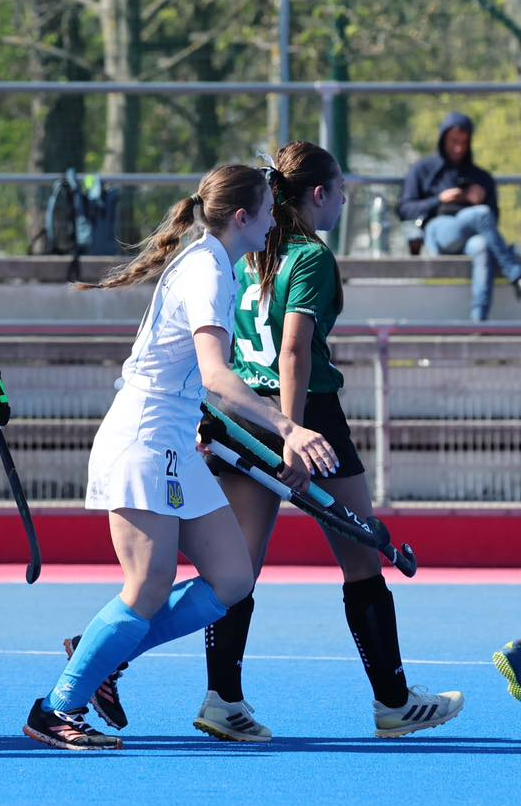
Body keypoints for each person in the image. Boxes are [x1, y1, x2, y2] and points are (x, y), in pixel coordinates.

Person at [25, 164, 338, 751]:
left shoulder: (219, 264)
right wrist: (288, 428)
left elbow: (197, 379)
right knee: (148, 586)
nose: (276, 219)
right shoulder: (207, 270)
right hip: (143, 438)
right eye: (269, 210)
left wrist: (205, 419)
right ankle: (56, 708)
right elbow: (217, 375)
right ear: (242, 217)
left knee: (232, 578)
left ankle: (99, 653)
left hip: (175, 440)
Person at [187, 141, 461, 741]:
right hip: (305, 414)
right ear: (318, 193)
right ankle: (393, 702)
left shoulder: (248, 251)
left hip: (244, 413)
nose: (342, 200)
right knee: (362, 561)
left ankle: (221, 698)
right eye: (340, 191)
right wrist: (293, 433)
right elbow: (294, 350)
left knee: (237, 572)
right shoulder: (309, 255)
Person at [397, 112, 521, 321]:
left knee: (483, 245)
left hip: (470, 238)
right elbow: (404, 209)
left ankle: (478, 320)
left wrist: (477, 200)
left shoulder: (481, 177)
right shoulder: (423, 169)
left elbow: (493, 222)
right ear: (443, 139)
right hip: (438, 230)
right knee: (481, 214)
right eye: (454, 141)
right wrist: (439, 200)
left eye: (464, 142)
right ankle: (516, 274)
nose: (459, 148)